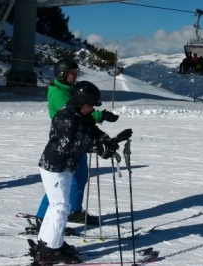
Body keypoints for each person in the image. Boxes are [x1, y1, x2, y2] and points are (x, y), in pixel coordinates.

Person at [35, 80, 133, 264]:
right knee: (61, 207)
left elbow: (92, 132)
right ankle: (50, 251)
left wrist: (110, 141)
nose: (91, 109)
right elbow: (69, 144)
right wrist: (99, 147)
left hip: (63, 167)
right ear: (80, 102)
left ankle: (48, 243)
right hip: (55, 167)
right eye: (89, 106)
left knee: (57, 206)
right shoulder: (65, 117)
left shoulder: (81, 115)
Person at [34, 59, 119, 226]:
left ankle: (74, 211)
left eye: (77, 72)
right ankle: (42, 217)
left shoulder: (69, 89)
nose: (76, 76)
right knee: (58, 184)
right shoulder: (59, 94)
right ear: (62, 74)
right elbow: (75, 116)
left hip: (78, 137)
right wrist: (99, 117)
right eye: (73, 73)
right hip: (65, 141)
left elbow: (83, 115)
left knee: (78, 178)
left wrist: (104, 137)